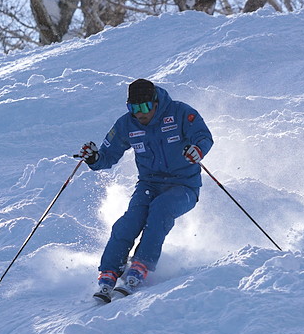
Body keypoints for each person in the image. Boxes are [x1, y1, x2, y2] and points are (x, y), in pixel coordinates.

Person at [78, 78, 213, 302]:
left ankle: (140, 265)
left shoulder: (179, 113)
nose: (139, 113)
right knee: (130, 220)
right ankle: (109, 272)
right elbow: (107, 156)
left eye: (144, 107)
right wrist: (94, 158)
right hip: (149, 184)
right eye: (133, 108)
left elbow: (203, 136)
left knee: (160, 210)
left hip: (184, 185)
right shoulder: (127, 124)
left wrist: (197, 149)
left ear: (155, 102)